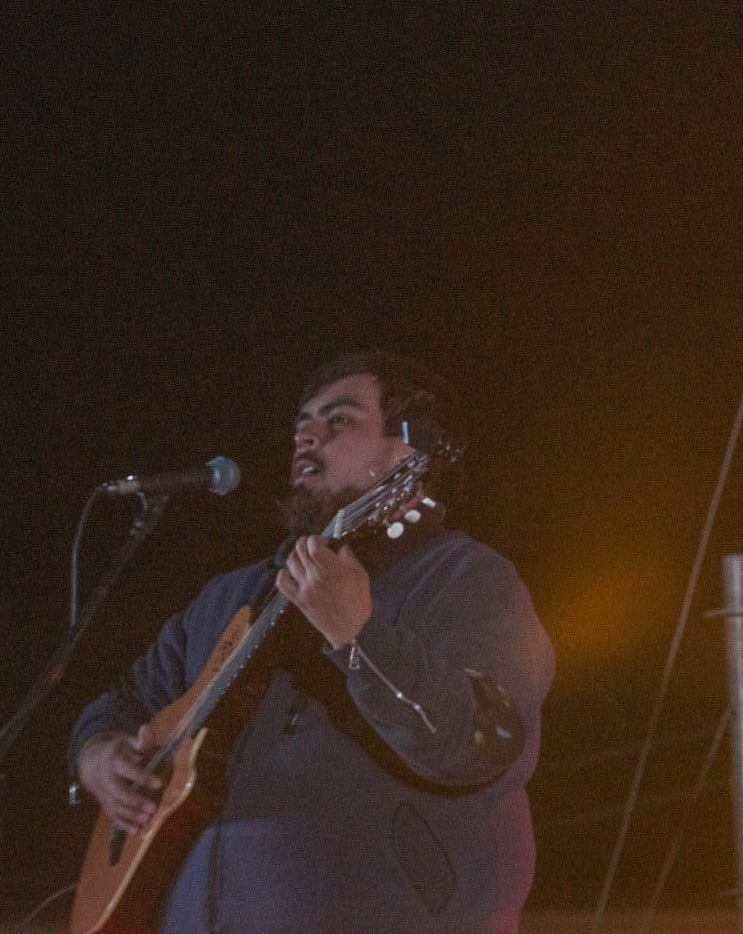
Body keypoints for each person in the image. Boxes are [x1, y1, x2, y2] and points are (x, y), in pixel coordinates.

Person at [72, 350, 554, 934]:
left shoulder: (466, 577)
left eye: (338, 420)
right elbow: (124, 701)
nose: (306, 436)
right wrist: (96, 753)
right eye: (303, 423)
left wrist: (358, 637)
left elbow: (480, 742)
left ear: (407, 452)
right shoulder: (234, 594)